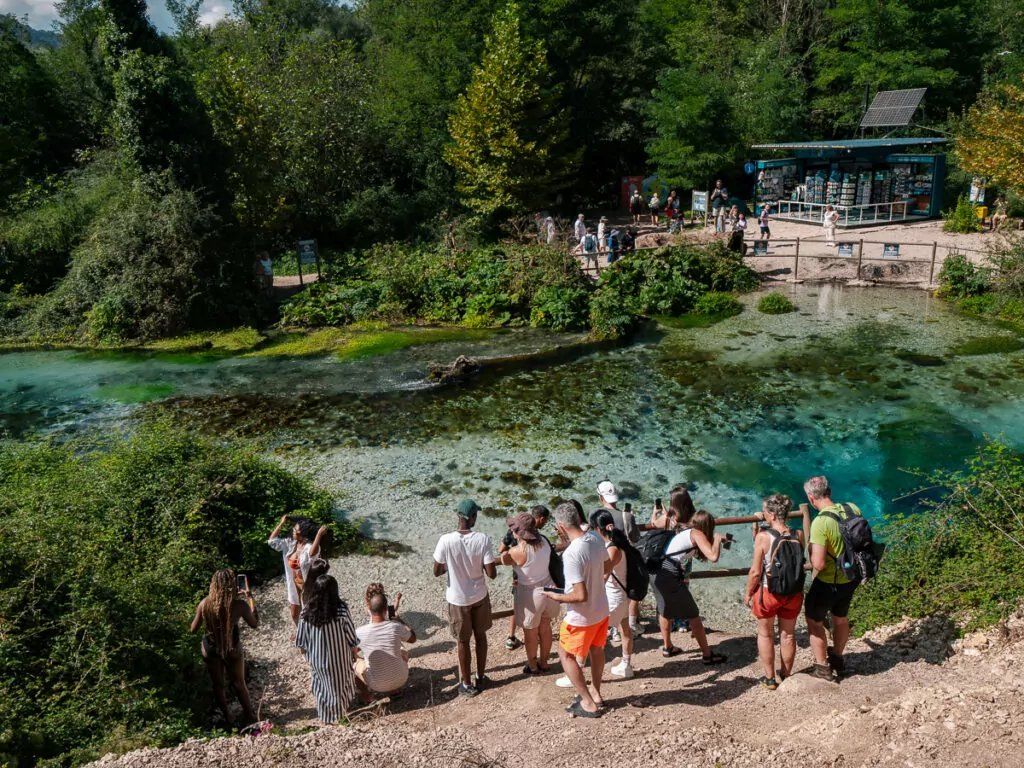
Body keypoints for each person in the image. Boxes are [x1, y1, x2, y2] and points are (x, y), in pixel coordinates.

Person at [539, 502, 609, 717]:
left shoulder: (571, 554)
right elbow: (607, 566)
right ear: (579, 518)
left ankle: (588, 703)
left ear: (560, 527)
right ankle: (596, 693)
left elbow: (579, 596)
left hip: (581, 616)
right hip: (601, 608)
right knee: (597, 651)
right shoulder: (596, 538)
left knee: (566, 655)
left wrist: (555, 596)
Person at [432, 499, 497, 697]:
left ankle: (466, 684)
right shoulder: (483, 539)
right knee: (481, 636)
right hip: (479, 595)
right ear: (473, 518)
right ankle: (481, 676)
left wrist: (451, 566)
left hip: (458, 599)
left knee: (463, 641)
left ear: (458, 516)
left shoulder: (445, 540)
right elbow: (491, 574)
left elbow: (436, 571)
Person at [744, 495, 809, 689]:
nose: (763, 513)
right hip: (793, 593)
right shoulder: (798, 534)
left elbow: (756, 572)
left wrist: (748, 593)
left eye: (764, 511)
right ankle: (787, 675)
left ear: (771, 514)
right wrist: (757, 527)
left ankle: (770, 678)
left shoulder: (764, 537)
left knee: (766, 635)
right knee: (788, 635)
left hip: (768, 592)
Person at [804, 475, 863, 680]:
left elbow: (818, 563)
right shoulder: (852, 508)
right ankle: (837, 657)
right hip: (852, 578)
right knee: (841, 618)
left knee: (814, 621)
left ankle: (822, 668)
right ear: (829, 492)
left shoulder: (820, 523)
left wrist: (810, 551)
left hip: (829, 581)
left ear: (811, 499)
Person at [649, 509, 727, 663]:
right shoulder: (697, 534)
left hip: (656, 573)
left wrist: (716, 541)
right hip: (669, 576)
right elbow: (713, 557)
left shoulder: (687, 532)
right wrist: (717, 540)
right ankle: (707, 655)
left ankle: (668, 647)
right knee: (694, 615)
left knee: (664, 610)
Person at [190, 569, 259, 728]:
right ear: (232, 584)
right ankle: (249, 716)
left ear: (213, 584)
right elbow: (254, 624)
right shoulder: (239, 605)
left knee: (218, 685)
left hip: (211, 649)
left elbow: (193, 629)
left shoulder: (204, 604)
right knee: (239, 683)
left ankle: (229, 717)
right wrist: (250, 598)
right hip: (232, 648)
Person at [499, 512, 560, 674]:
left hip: (531, 594)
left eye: (515, 529)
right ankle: (544, 662)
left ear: (521, 533)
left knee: (531, 632)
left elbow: (504, 559)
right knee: (546, 628)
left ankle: (532, 665)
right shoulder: (545, 542)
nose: (512, 531)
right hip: (550, 589)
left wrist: (505, 553)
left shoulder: (517, 551)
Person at [296, 574, 361, 722]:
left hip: (317, 660)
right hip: (339, 660)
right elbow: (352, 639)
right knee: (340, 688)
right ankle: (339, 717)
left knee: (321, 688)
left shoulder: (305, 614)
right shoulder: (341, 612)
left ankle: (325, 718)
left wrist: (307, 658)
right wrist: (355, 655)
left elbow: (301, 642)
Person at [591, 510, 635, 679]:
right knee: (625, 630)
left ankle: (579, 671)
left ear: (598, 529)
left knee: (594, 636)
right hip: (621, 597)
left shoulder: (612, 549)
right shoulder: (619, 543)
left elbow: (603, 576)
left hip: (613, 599)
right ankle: (626, 665)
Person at [596, 481, 641, 637]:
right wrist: (630, 520)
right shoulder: (626, 516)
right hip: (623, 562)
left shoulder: (594, 515)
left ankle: (610, 628)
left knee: (606, 592)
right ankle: (625, 626)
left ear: (600, 497)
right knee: (623, 594)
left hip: (602, 559)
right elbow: (635, 538)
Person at [355, 587, 417, 697]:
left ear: (369, 609)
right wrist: (401, 621)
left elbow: (351, 652)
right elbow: (413, 639)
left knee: (353, 664)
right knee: (401, 650)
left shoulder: (359, 633)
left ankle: (367, 697)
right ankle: (395, 690)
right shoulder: (396, 627)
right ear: (385, 610)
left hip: (376, 685)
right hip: (402, 678)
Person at [268, 516, 329, 625]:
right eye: (293, 530)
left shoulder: (309, 546)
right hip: (294, 583)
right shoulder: (290, 544)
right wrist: (281, 523)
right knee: (294, 612)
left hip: (307, 585)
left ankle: (308, 632)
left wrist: (318, 535)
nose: (293, 532)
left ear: (303, 533)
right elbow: (272, 541)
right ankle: (299, 629)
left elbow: (311, 554)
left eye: (296, 531)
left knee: (308, 611)